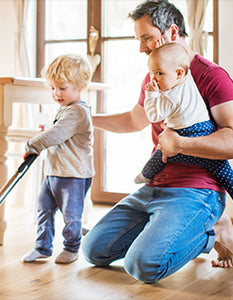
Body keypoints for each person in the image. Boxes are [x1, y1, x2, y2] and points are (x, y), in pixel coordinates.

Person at [82, 0, 233, 284]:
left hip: (196, 190)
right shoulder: (155, 76)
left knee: (142, 265)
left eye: (146, 38)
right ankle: (170, 228)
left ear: (172, 32)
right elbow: (133, 120)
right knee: (93, 251)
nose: (141, 48)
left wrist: (182, 145)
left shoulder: (212, 77)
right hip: (153, 187)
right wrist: (87, 119)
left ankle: (213, 231)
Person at [134, 42, 233, 201]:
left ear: (179, 73)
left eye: (159, 73)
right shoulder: (188, 79)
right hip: (204, 129)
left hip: (184, 133)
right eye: (151, 73)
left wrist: (151, 95)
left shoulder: (170, 97)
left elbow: (153, 115)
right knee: (224, 172)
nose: (153, 79)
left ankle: (144, 176)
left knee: (160, 156)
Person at [21, 54, 94, 264]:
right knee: (43, 208)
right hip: (54, 171)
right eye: (52, 88)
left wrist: (32, 144)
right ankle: (42, 247)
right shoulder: (65, 109)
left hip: (73, 174)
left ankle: (72, 248)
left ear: (80, 86)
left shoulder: (78, 112)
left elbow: (55, 135)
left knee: (71, 215)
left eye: (62, 88)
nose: (56, 93)